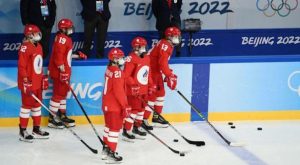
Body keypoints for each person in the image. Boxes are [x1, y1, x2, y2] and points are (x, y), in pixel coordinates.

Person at [47, 18, 87, 129]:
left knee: (62, 94)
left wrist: (77, 55)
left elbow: (66, 55)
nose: (71, 29)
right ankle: (52, 119)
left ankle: (62, 115)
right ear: (63, 29)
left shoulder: (65, 38)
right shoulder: (62, 39)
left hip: (64, 72)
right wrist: (62, 71)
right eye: (69, 28)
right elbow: (58, 56)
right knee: (58, 95)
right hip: (60, 72)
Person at [142, 27, 180, 129]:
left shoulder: (167, 44)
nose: (177, 38)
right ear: (169, 37)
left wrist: (168, 73)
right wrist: (169, 75)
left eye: (177, 36)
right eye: (175, 36)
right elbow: (162, 63)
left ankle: (156, 116)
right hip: (151, 71)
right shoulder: (165, 45)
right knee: (152, 96)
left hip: (155, 71)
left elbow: (163, 63)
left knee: (160, 93)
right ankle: (144, 119)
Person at [18, 24, 49, 142]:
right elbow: (22, 67)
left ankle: (36, 129)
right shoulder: (25, 47)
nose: (38, 35)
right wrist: (25, 81)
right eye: (35, 33)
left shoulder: (39, 46)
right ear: (29, 35)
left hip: (37, 82)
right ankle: (23, 131)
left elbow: (38, 65)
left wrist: (42, 78)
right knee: (26, 107)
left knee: (37, 106)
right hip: (28, 83)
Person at [122, 37, 156, 141]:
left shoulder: (146, 58)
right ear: (136, 47)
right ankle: (127, 130)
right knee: (134, 110)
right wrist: (133, 85)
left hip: (144, 89)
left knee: (141, 109)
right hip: (133, 91)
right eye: (142, 46)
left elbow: (147, 73)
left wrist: (151, 84)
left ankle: (137, 127)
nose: (144, 48)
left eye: (145, 46)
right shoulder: (131, 59)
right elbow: (126, 75)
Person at [101, 48, 131, 163]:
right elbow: (119, 92)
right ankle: (111, 154)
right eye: (120, 57)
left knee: (108, 127)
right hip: (114, 106)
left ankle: (106, 150)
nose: (123, 59)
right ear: (114, 59)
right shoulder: (117, 72)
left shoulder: (109, 69)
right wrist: (125, 105)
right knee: (114, 129)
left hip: (106, 105)